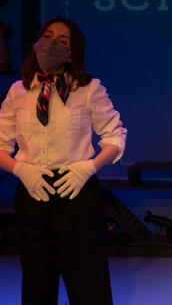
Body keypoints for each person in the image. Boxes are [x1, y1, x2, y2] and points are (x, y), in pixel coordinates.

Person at [0, 17, 127, 305]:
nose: (52, 44)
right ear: (36, 43)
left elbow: (115, 136)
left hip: (77, 192)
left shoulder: (88, 89)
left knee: (88, 285)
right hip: (33, 193)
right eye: (47, 36)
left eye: (63, 41)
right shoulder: (19, 92)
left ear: (72, 52)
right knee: (36, 285)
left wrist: (90, 167)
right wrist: (20, 169)